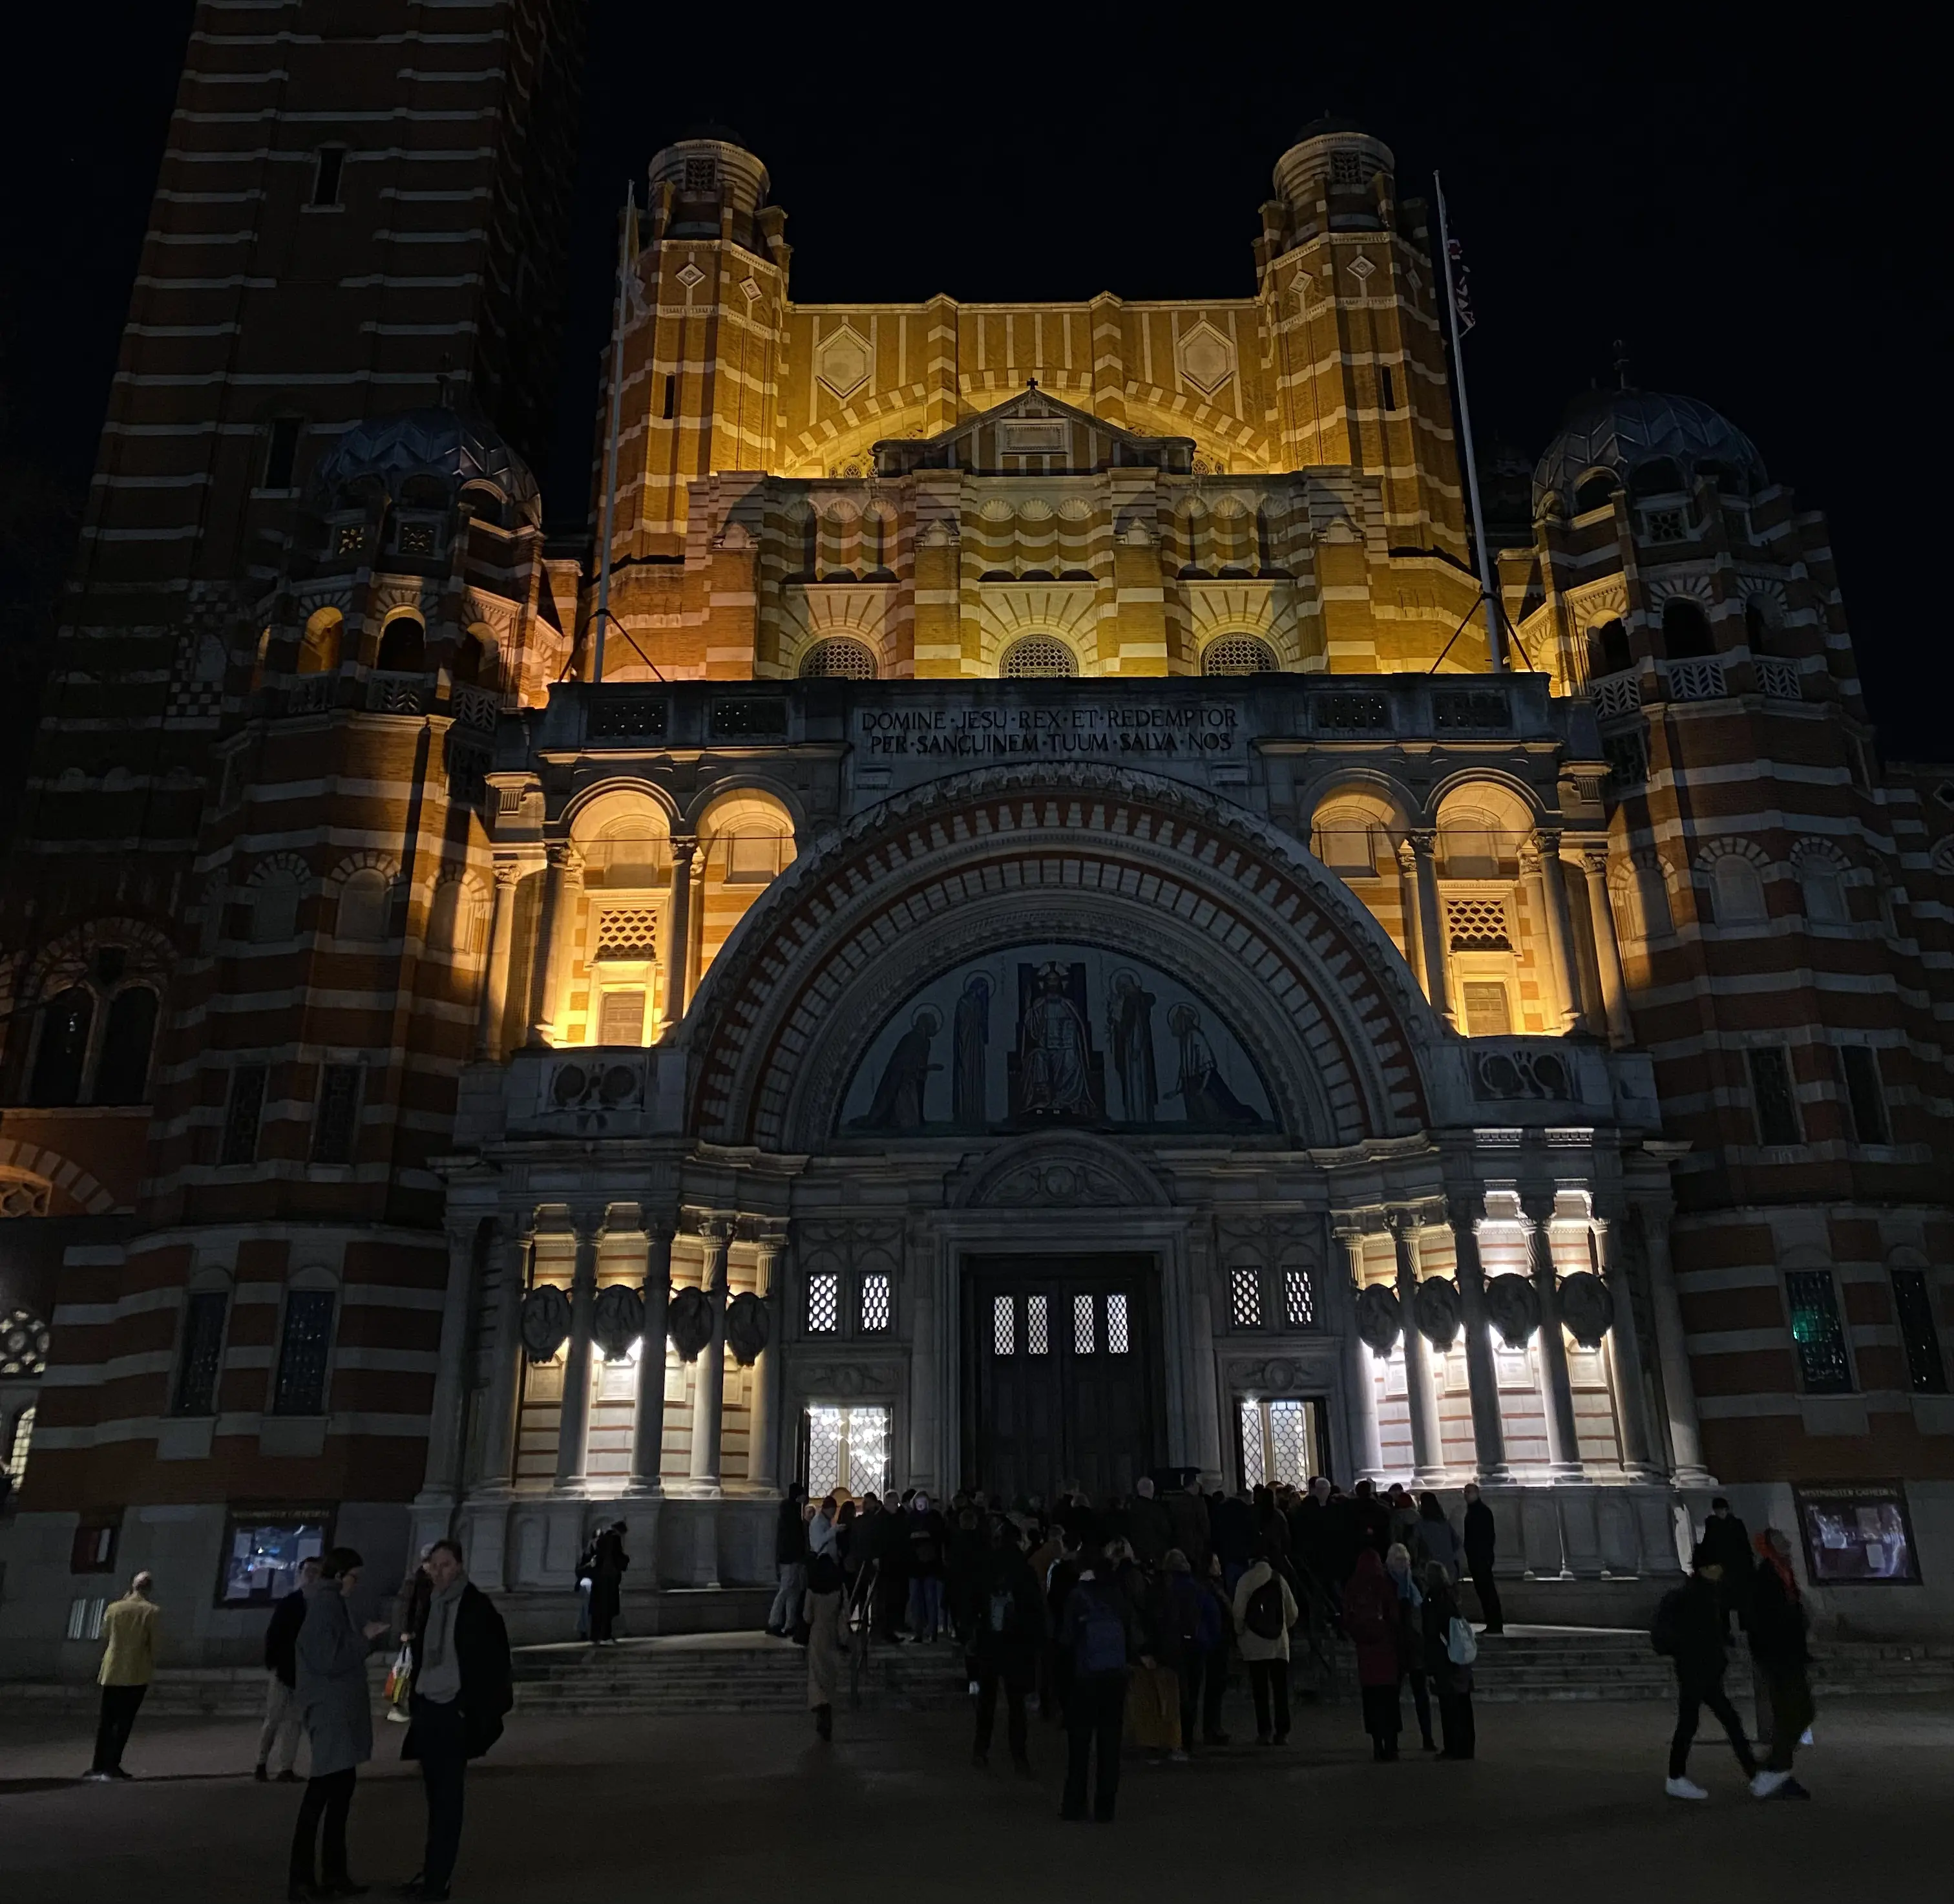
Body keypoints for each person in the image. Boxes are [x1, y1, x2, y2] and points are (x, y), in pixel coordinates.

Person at [399, 1538, 512, 1902]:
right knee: (435, 1799)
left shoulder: (477, 1607)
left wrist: (470, 1709)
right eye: (435, 1566)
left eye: (446, 1565)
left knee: (447, 1803)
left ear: (460, 1566)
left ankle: (438, 1882)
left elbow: (494, 1665)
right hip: (430, 1709)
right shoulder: (429, 1604)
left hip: (453, 1713)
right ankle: (433, 1870)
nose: (440, 1572)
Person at [291, 1546, 392, 1902]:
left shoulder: (329, 1603)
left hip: (336, 1712)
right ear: (340, 1574)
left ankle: (332, 1874)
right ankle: (303, 1879)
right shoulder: (326, 1605)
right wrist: (364, 1639)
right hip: (331, 1713)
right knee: (322, 1797)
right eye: (354, 1577)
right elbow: (329, 1659)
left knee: (337, 1798)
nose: (356, 1585)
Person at [1652, 1546, 1758, 1800]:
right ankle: (1677, 1777)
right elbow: (1676, 1635)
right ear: (1704, 1569)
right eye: (1714, 1567)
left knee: (1719, 1720)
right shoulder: (1691, 1596)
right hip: (1695, 1668)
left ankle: (1753, 1772)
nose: (1720, 1571)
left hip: (1705, 1669)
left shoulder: (1710, 1594)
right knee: (1698, 1722)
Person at [1056, 1542, 1142, 1822]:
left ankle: (1075, 1805)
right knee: (1110, 1744)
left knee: (1079, 1745)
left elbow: (1067, 1640)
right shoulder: (1118, 1595)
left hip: (1085, 1678)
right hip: (1115, 1677)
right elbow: (1132, 1635)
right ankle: (1106, 1807)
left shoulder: (1078, 1597)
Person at [1746, 1528, 1813, 1799]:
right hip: (1779, 1657)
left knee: (1797, 1713)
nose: (1787, 1544)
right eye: (1780, 1541)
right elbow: (1764, 1620)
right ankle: (1775, 1772)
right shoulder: (1767, 1576)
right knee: (1796, 1712)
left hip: (1788, 1655)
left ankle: (1775, 1770)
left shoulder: (1783, 1573)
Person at [972, 1521, 1043, 1775]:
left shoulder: (986, 1567)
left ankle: (981, 1749)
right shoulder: (1024, 1570)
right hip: (1016, 1644)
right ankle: (1019, 1757)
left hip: (991, 1641)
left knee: (987, 1700)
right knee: (1017, 1705)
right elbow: (1035, 1609)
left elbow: (975, 1601)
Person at [85, 1570, 159, 1781]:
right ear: (149, 1588)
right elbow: (154, 1645)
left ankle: (97, 1765)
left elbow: (105, 1634)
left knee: (106, 1720)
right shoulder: (151, 1612)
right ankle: (113, 1765)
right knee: (124, 1721)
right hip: (136, 1672)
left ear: (132, 1586)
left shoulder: (114, 1608)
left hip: (112, 1670)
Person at [257, 1556, 320, 1782]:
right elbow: (275, 1634)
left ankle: (286, 1767)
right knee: (274, 1718)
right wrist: (273, 1662)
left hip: (303, 1672)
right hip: (286, 1669)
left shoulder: (319, 1604)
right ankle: (262, 1762)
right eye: (309, 1571)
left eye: (316, 1571)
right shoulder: (291, 1602)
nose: (312, 1575)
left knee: (294, 1722)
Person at [1230, 1543, 1299, 1746]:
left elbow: (1238, 1612)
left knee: (1260, 1689)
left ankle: (1264, 1731)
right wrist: (1283, 1627)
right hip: (1278, 1643)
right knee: (1280, 1689)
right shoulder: (1279, 1579)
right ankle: (1283, 1731)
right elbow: (1293, 1612)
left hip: (1254, 1643)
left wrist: (1240, 1632)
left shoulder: (1245, 1580)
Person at [1343, 1547, 1403, 1761]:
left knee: (1372, 1701)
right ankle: (1393, 1745)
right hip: (1386, 1652)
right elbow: (1394, 1617)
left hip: (1366, 1654)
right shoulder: (1385, 1584)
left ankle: (1378, 1745)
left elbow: (1347, 1618)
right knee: (1389, 1700)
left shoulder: (1353, 1586)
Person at [1421, 1563, 1476, 1759]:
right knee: (1463, 1704)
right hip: (1460, 1656)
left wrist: (1430, 1667)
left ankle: (1453, 1747)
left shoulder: (1432, 1601)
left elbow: (1431, 1635)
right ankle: (1467, 1746)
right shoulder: (1452, 1597)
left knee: (1449, 1706)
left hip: (1445, 1659)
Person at [1385, 1541, 1436, 1751]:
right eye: (1399, 1561)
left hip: (1415, 1646)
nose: (1403, 1565)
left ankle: (1427, 1737)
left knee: (1421, 1695)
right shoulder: (1387, 1583)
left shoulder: (1413, 1582)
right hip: (1396, 1646)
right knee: (1392, 1695)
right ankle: (1392, 1740)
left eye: (1405, 1560)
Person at [804, 1552, 847, 1740]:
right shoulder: (840, 1589)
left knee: (816, 1674)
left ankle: (820, 1709)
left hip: (817, 1634)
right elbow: (845, 1614)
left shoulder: (812, 1590)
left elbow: (807, 1616)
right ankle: (828, 1709)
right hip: (833, 1634)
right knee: (830, 1675)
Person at [1697, 1497, 1754, 1637]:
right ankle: (1727, 1630)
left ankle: (1743, 1628)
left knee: (1739, 1601)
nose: (1720, 1513)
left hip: (1736, 1568)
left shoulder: (1735, 1524)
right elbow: (1708, 1546)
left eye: (1722, 1510)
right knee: (1724, 1602)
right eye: (1718, 1510)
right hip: (1722, 1569)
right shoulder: (1714, 1525)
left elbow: (1744, 1547)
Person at [1460, 1483, 1504, 1634]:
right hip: (1478, 1558)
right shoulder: (1476, 1511)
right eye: (1465, 1492)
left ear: (1477, 1493)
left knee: (1487, 1592)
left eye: (1469, 1492)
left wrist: (1484, 1557)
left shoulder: (1481, 1512)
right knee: (1485, 1592)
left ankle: (1494, 1624)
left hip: (1481, 1558)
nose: (1466, 1495)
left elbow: (1486, 1537)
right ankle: (1493, 1623)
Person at [766, 1483, 808, 1637]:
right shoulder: (791, 1512)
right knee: (785, 1590)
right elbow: (793, 1538)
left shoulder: (790, 1511)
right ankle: (774, 1622)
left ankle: (789, 1623)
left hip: (791, 1557)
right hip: (790, 1558)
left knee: (793, 1592)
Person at [907, 1492, 948, 1642]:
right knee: (916, 1600)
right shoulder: (911, 1517)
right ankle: (918, 1631)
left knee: (930, 1599)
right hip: (915, 1565)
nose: (921, 1504)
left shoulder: (934, 1517)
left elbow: (942, 1536)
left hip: (931, 1565)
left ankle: (933, 1631)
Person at [587, 1521, 629, 1646]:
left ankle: (596, 1636)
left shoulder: (602, 1539)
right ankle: (606, 1635)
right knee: (608, 1608)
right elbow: (617, 1558)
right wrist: (626, 1560)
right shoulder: (614, 1540)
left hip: (599, 1579)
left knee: (598, 1609)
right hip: (609, 1579)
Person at [1166, 1476, 1211, 1578]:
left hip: (1181, 1548)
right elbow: (1205, 1527)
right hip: (1197, 1549)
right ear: (1193, 1485)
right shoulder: (1198, 1503)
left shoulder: (1175, 1503)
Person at [1413, 1492, 1462, 1583]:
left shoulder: (1420, 1526)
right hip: (1449, 1567)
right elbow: (1457, 1542)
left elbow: (1414, 1547)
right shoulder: (1445, 1523)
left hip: (1431, 1569)